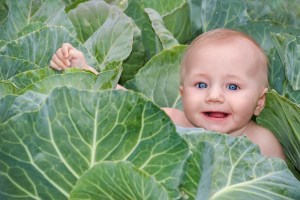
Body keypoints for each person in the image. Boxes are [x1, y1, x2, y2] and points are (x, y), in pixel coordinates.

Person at [50, 28, 285, 160]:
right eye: (201, 85)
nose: (214, 96)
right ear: (182, 94)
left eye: (232, 87)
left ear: (259, 103)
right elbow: (125, 101)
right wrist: (82, 69)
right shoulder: (173, 122)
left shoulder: (264, 143)